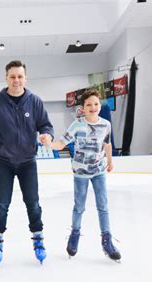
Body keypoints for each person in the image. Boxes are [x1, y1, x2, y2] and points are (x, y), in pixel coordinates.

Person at [0, 60, 54, 265]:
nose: (16, 80)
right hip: (4, 162)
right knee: (2, 204)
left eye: (20, 76)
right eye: (12, 76)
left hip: (28, 161)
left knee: (33, 203)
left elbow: (45, 125)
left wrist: (46, 135)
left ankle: (38, 239)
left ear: (25, 78)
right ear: (6, 78)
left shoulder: (35, 101)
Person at [50, 90, 121, 262]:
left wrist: (110, 161)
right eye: (88, 104)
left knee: (103, 206)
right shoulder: (77, 125)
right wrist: (49, 143)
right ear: (82, 108)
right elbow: (61, 143)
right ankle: (75, 234)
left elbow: (107, 144)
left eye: (96, 104)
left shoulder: (105, 125)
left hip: (99, 171)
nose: (93, 107)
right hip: (80, 173)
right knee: (79, 207)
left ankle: (106, 240)